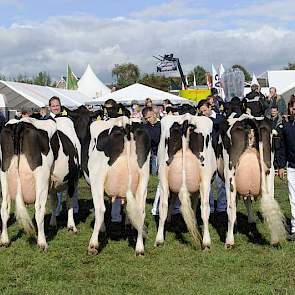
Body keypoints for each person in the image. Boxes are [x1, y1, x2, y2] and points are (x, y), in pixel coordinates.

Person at [48, 96, 79, 217]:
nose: (55, 107)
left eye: (57, 105)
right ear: (50, 107)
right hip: (54, 156)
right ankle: (56, 211)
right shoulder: (46, 120)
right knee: (54, 188)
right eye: (53, 105)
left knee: (72, 183)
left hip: (68, 155)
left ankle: (73, 209)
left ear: (60, 106)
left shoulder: (67, 120)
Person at [198, 99, 227, 219]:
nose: (203, 113)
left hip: (219, 153)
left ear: (210, 107)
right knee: (207, 181)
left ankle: (221, 207)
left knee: (221, 181)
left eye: (204, 110)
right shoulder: (200, 120)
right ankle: (209, 206)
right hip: (206, 153)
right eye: (201, 112)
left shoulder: (220, 118)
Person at [276, 100, 295, 240]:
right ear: (289, 109)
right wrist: (281, 166)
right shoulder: (286, 127)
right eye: (293, 108)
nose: (294, 110)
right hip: (292, 167)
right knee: (293, 199)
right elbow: (282, 148)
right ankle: (294, 228)